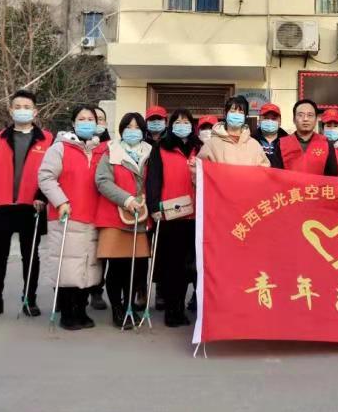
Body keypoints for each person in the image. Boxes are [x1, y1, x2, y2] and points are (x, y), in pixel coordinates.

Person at [0, 90, 53, 320]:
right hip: (1, 205)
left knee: (30, 256)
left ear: (35, 111)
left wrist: (42, 197)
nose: (22, 110)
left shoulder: (47, 139)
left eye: (26, 106)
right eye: (17, 106)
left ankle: (29, 300)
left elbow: (51, 173)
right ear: (10, 110)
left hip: (32, 206)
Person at [38, 105, 107, 331]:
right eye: (81, 119)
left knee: (87, 267)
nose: (86, 122)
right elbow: (46, 177)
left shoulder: (101, 150)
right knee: (67, 267)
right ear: (73, 123)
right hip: (67, 216)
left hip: (93, 217)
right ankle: (67, 313)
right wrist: (61, 201)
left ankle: (81, 309)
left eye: (91, 119)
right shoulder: (59, 148)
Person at [94, 113, 151, 329]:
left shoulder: (150, 152)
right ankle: (117, 310)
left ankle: (129, 305)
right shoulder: (111, 151)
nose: (132, 131)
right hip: (113, 216)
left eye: (137, 127)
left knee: (134, 267)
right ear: (121, 129)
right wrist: (126, 199)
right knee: (117, 267)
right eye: (128, 126)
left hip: (139, 217)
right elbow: (102, 181)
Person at [147, 109, 202, 327]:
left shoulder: (200, 147)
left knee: (189, 267)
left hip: (196, 215)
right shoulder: (161, 148)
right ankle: (172, 310)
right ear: (171, 126)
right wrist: (154, 206)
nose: (182, 125)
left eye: (186, 122)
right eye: (178, 122)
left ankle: (182, 308)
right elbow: (153, 179)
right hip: (171, 216)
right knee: (172, 267)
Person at [197, 96, 270, 167]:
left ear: (245, 116)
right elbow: (200, 170)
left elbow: (264, 170)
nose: (236, 114)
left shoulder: (254, 145)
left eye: (241, 112)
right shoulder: (211, 145)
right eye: (232, 111)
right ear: (226, 114)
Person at [272, 99, 338, 175]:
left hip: (317, 183)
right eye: (300, 115)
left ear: (316, 119)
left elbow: (333, 177)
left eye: (310, 115)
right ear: (294, 120)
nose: (305, 119)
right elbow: (276, 175)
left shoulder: (326, 144)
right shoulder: (281, 144)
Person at [88, 106, 111, 311]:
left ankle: (97, 291)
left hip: (104, 206)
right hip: (80, 207)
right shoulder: (73, 144)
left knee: (100, 254)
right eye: (92, 118)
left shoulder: (112, 147)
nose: (97, 122)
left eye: (101, 119)